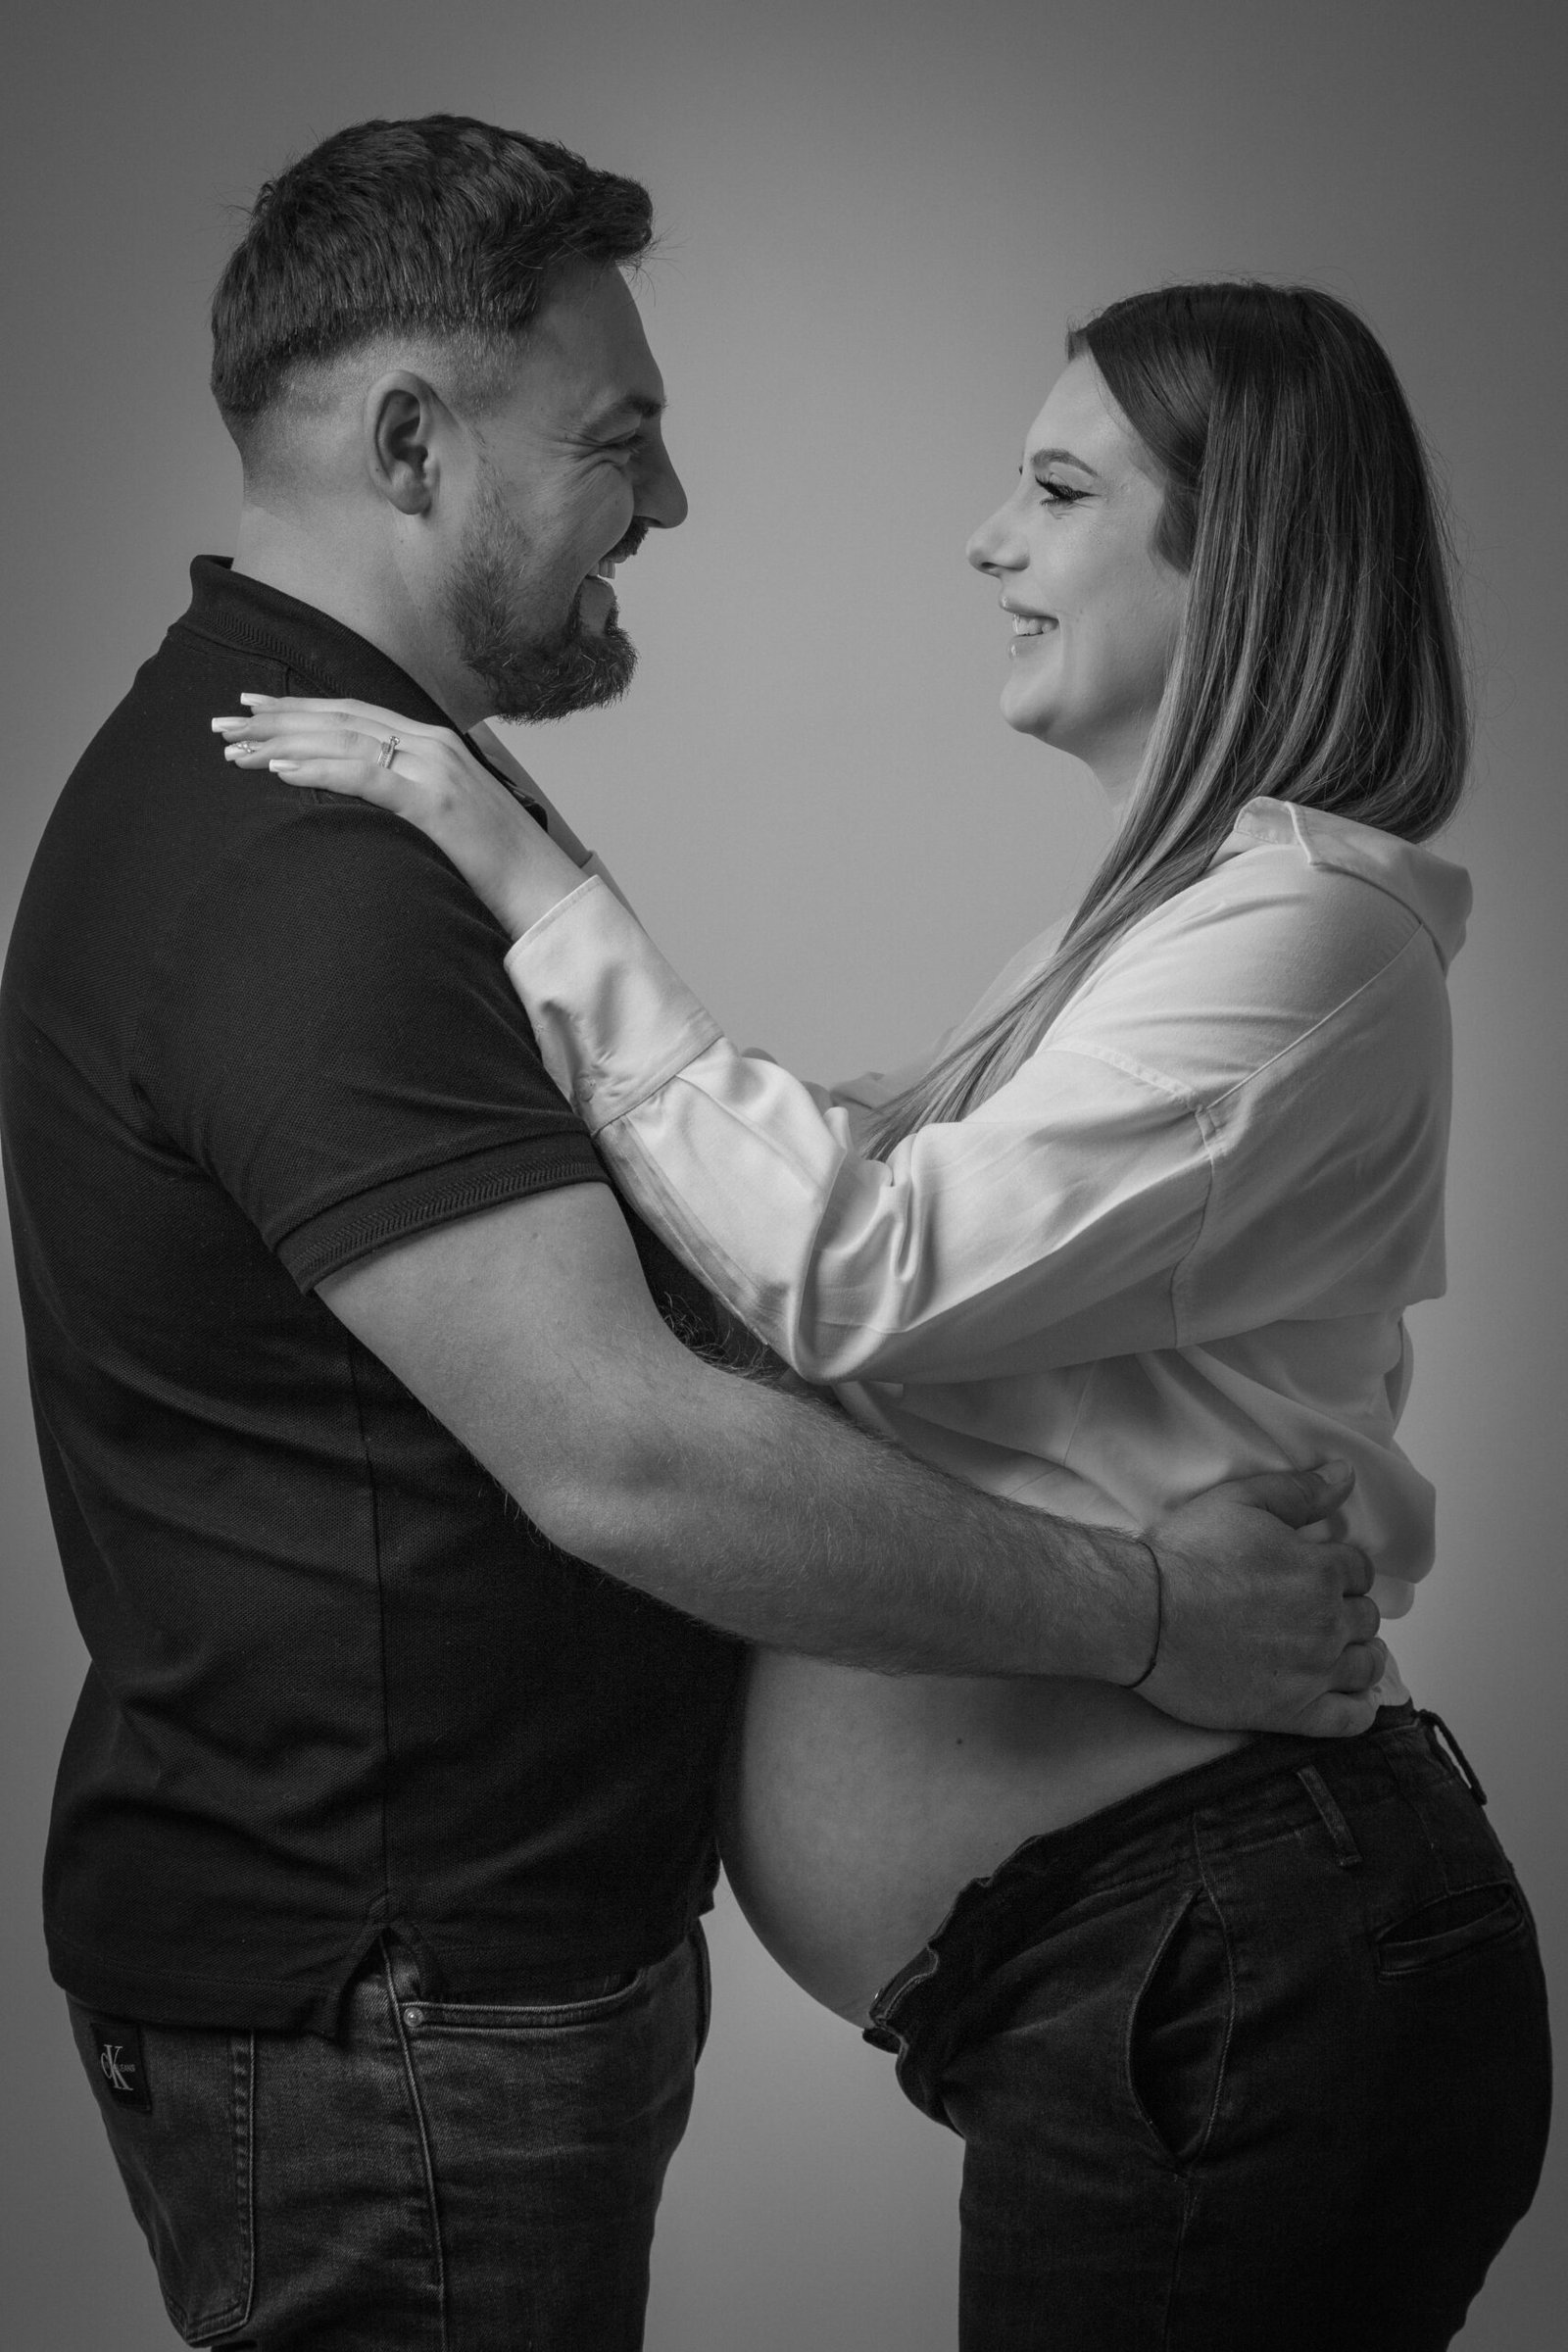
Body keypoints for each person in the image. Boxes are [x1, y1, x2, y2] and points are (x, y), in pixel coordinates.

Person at [0, 124, 1383, 2352]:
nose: (667, 501)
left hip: (439, 1990)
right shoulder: (304, 871)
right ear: (413, 445)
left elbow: (718, 1248)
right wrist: (1148, 1616)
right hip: (398, 2011)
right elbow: (623, 1452)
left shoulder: (357, 797)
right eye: (616, 439)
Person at [235, 280, 1552, 2348]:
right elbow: (835, 1204)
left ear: (1243, 551)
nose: (985, 539)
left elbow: (859, 1269)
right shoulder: (1162, 930)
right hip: (1165, 1974)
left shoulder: (1308, 938)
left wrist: (528, 876)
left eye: (1057, 490)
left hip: (1232, 1960)